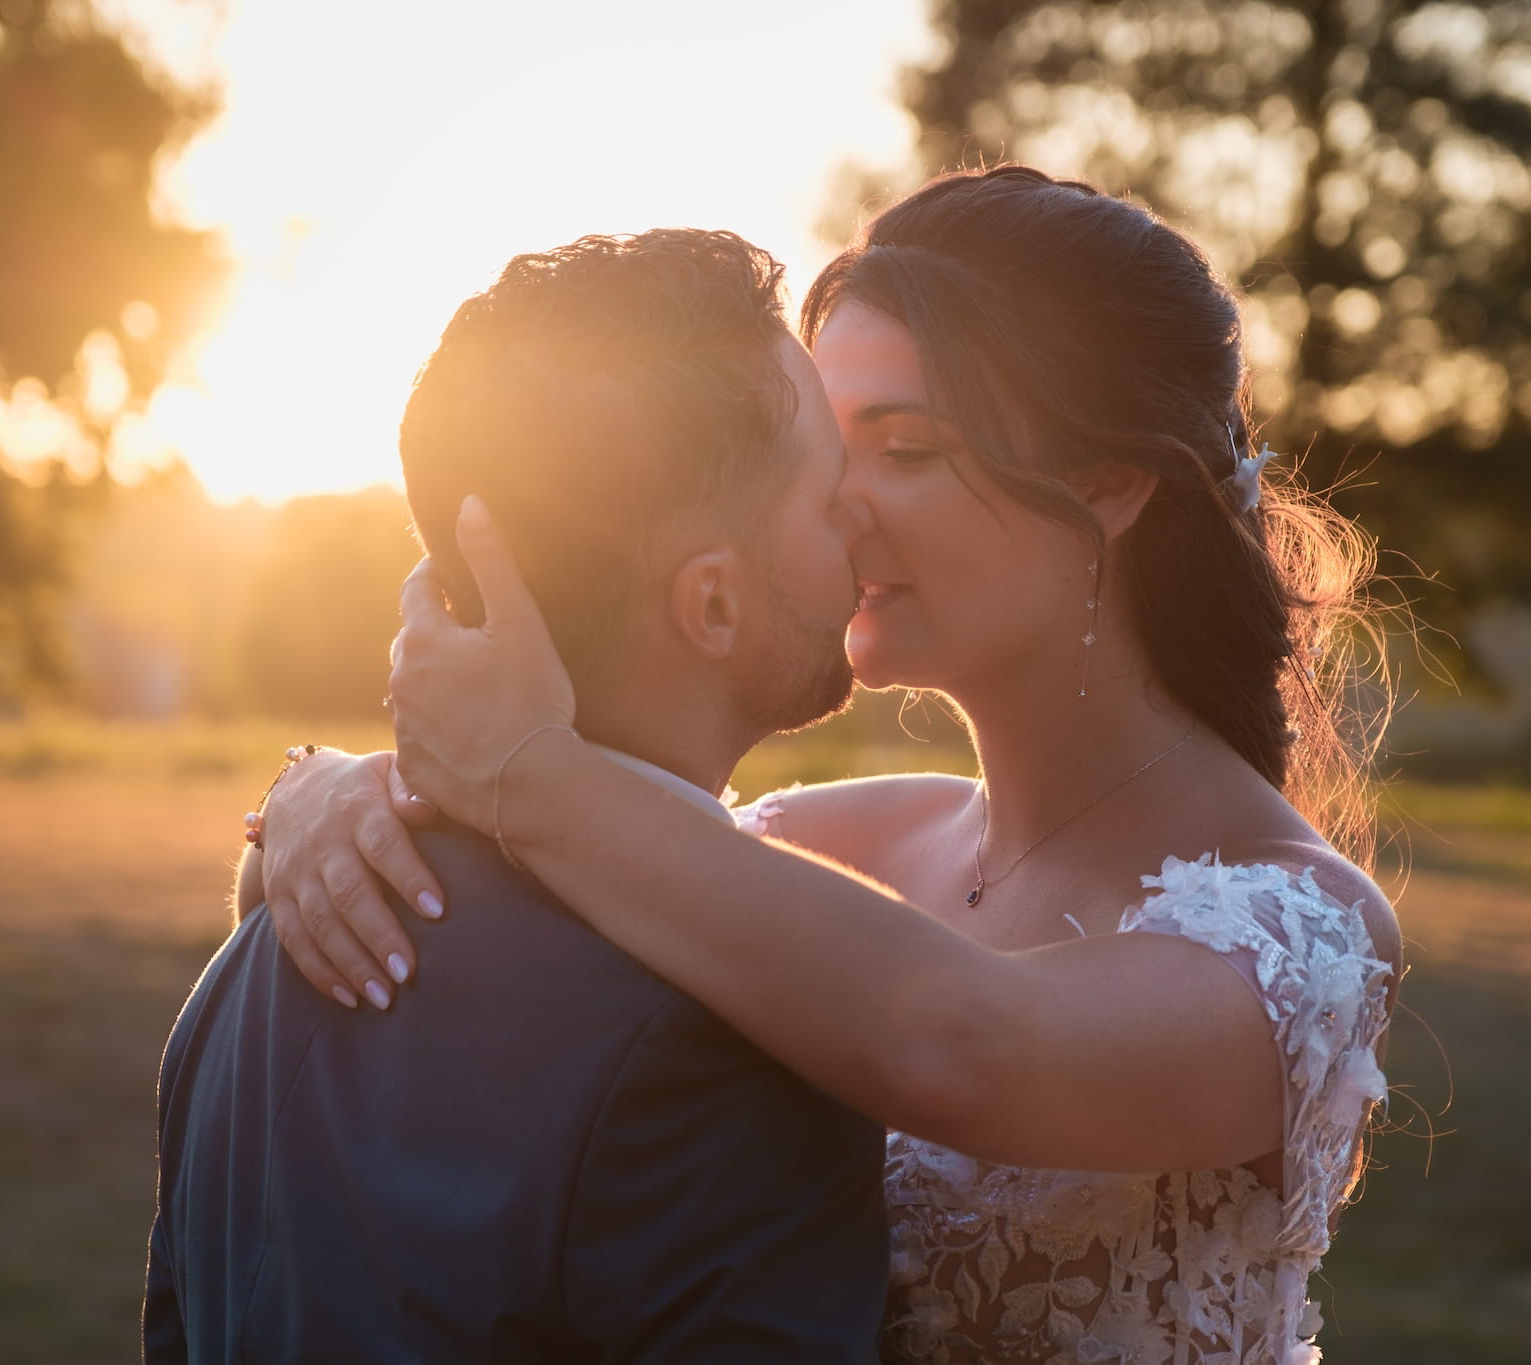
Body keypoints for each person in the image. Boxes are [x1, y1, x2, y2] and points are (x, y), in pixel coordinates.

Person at [244, 165, 1405, 1363]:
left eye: (901, 446)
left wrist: (527, 775)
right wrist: (328, 793)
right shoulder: (832, 841)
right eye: (821, 439)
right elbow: (557, 919)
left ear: (1107, 482)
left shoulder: (1300, 933)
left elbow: (958, 1043)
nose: (828, 500)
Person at [144, 229, 892, 1364]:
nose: (860, 512)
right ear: (715, 608)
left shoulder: (250, 976)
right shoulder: (738, 1048)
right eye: (827, 485)